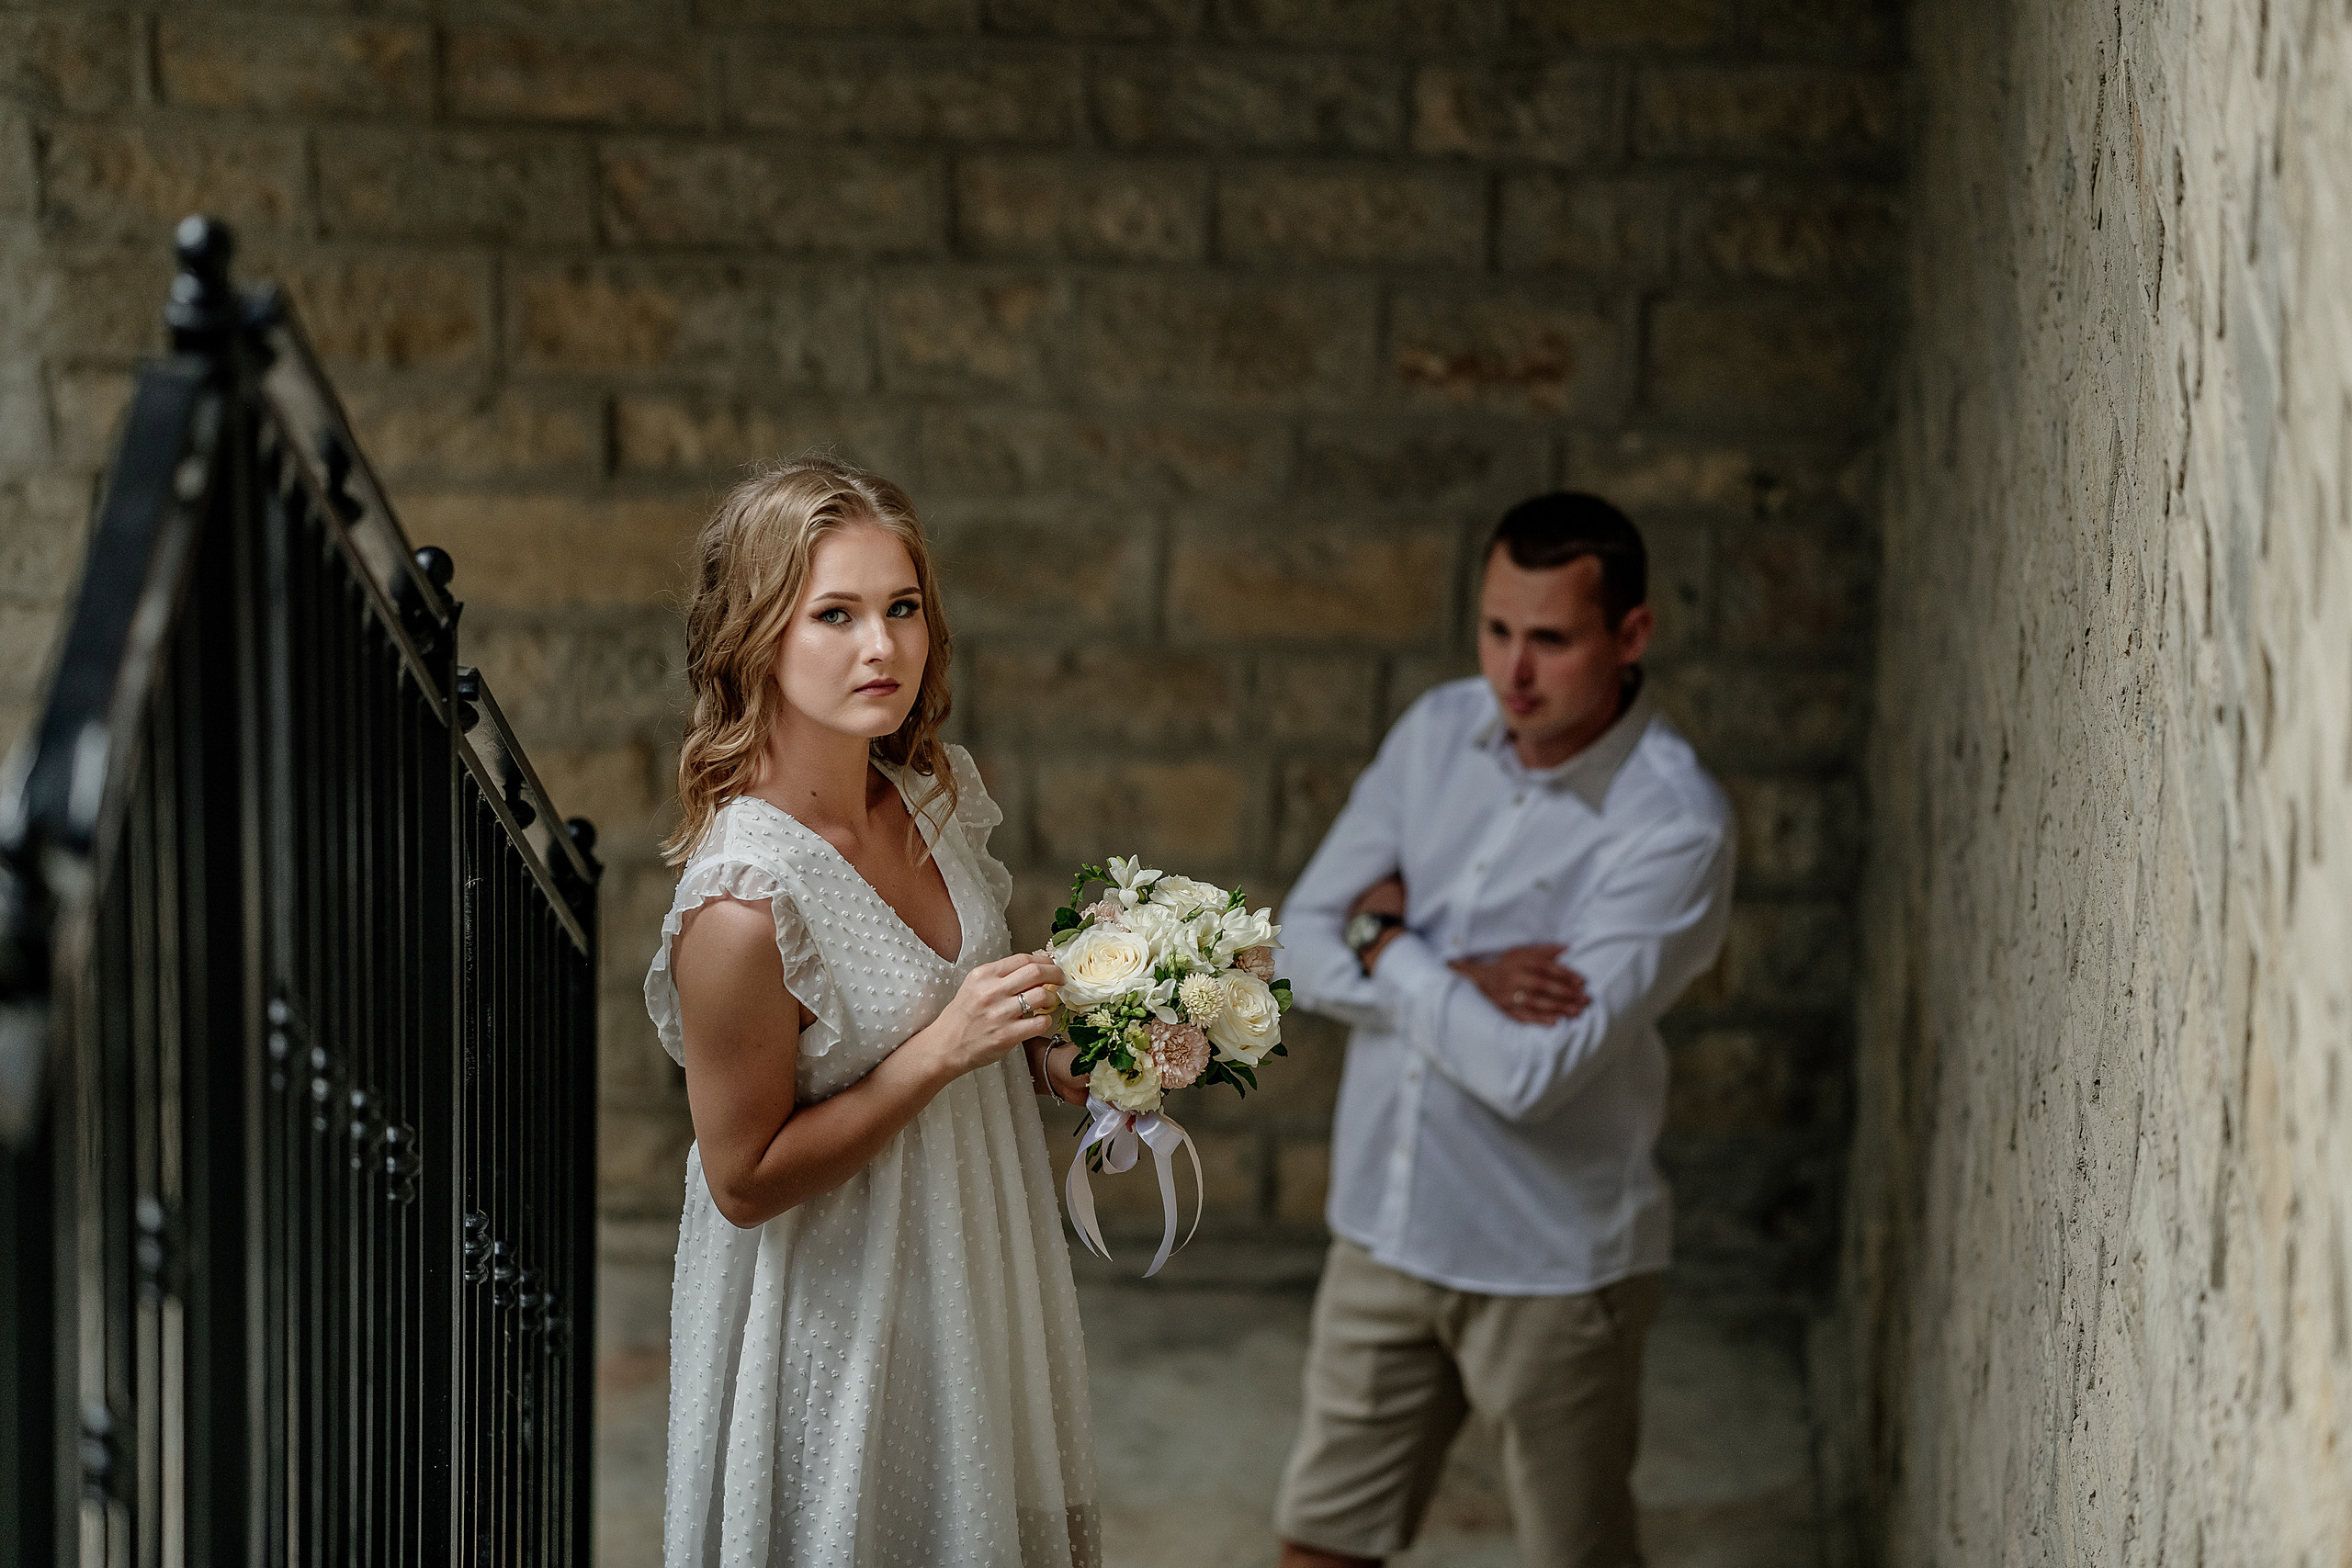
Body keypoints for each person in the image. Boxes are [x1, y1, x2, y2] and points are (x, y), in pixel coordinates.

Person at [645, 456, 1101, 1567]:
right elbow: (743, 1181)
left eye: (901, 609)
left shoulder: (932, 793)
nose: (882, 647)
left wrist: (1053, 1053)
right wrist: (943, 1051)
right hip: (840, 1326)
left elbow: (962, 1022)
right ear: (754, 636)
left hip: (974, 1275)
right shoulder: (743, 905)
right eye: (835, 615)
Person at [1272, 492, 1736, 1568]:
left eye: (1549, 639)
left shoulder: (1673, 826)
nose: (1512, 671)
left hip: (1552, 1267)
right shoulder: (1436, 731)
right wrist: (1452, 971)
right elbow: (1292, 943)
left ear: (1631, 637)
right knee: (1319, 1549)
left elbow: (1530, 1070)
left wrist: (1388, 943)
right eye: (1495, 630)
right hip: (1385, 1231)